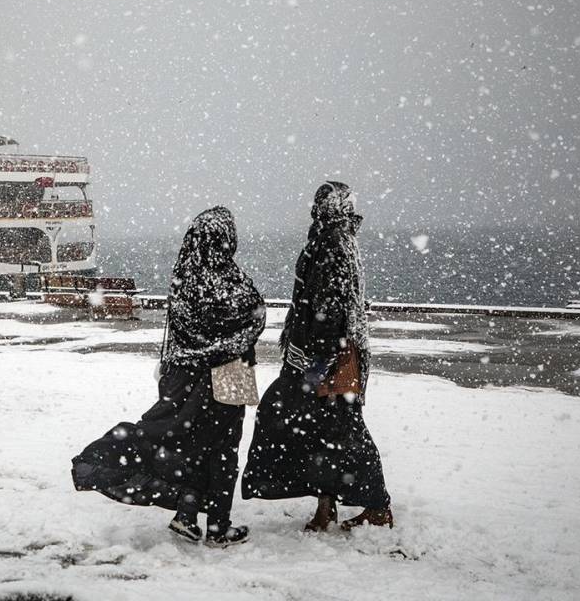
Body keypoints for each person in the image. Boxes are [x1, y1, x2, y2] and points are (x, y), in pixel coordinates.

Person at [71, 206, 266, 547]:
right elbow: (253, 314)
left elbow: (184, 328)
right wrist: (232, 340)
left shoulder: (184, 274)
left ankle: (187, 514)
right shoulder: (229, 278)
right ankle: (217, 527)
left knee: (184, 444)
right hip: (230, 374)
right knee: (222, 452)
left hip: (183, 374)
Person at [241, 182, 394, 531]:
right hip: (327, 355)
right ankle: (328, 507)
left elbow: (330, 309)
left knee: (339, 429)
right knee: (323, 429)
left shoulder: (333, 244)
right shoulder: (338, 241)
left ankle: (376, 504)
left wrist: (316, 364)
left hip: (328, 359)